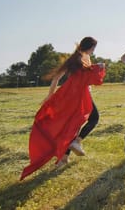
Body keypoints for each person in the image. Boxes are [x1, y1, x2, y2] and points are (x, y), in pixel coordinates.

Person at [21, 37, 106, 180]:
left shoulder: (79, 58)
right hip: (79, 97)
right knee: (94, 118)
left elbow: (58, 79)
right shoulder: (78, 59)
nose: (93, 51)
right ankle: (77, 141)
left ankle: (63, 159)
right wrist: (50, 98)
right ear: (90, 47)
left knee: (73, 126)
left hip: (78, 96)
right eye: (93, 48)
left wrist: (50, 97)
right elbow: (58, 78)